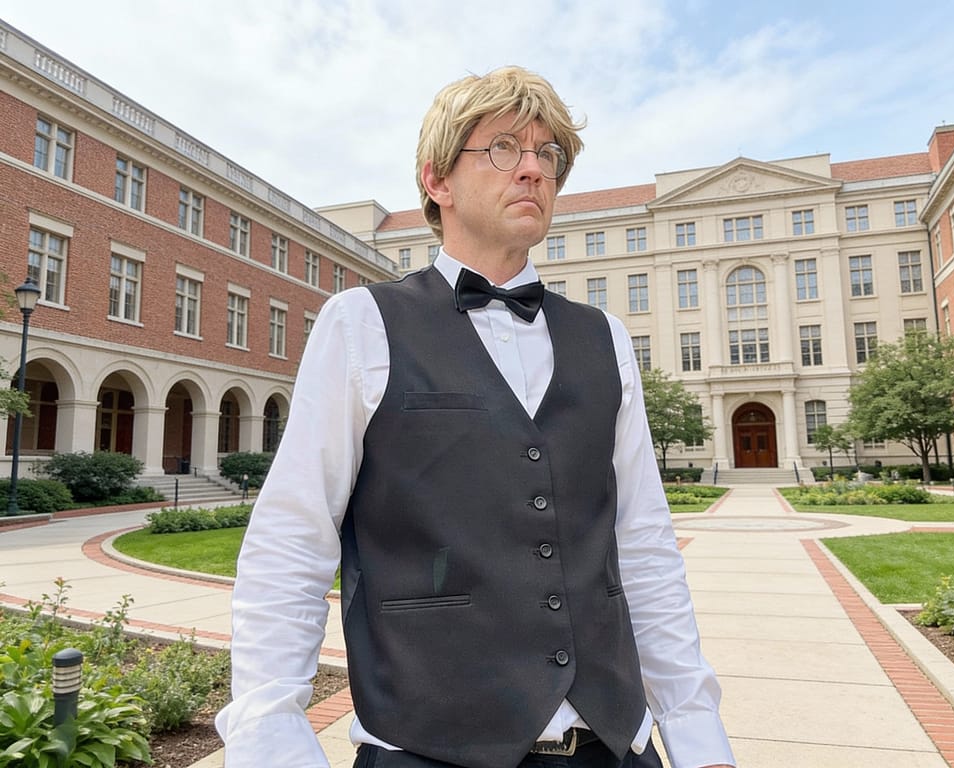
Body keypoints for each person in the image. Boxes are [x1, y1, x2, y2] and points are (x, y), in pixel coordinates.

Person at [216, 65, 735, 768]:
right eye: (502, 149)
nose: (532, 170)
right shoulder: (362, 325)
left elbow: (642, 545)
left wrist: (700, 742)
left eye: (547, 154)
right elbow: (292, 541)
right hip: (425, 748)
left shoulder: (604, 337)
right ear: (437, 180)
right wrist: (272, 744)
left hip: (614, 748)